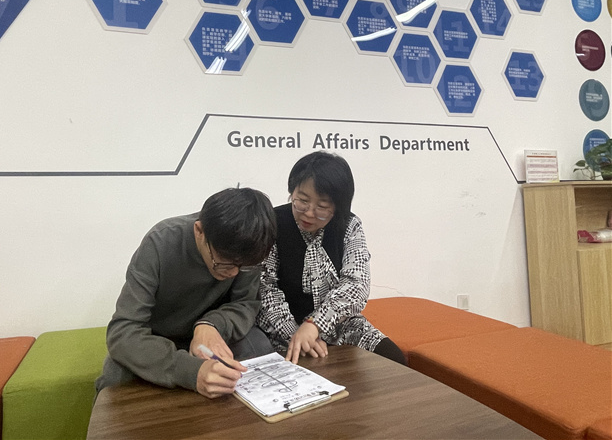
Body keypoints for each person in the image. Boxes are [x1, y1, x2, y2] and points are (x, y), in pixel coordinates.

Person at [95, 187, 277, 399]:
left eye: (243, 266)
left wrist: (211, 325)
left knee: (259, 346)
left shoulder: (248, 253)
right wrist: (190, 371)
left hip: (216, 335)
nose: (233, 273)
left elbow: (245, 304)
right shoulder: (161, 242)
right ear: (199, 231)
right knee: (115, 378)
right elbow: (123, 330)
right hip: (159, 341)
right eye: (224, 263)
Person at [256, 151, 406, 365]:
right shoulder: (272, 223)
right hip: (283, 328)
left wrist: (315, 325)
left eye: (322, 207)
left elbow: (356, 284)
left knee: (393, 359)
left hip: (339, 324)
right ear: (292, 192)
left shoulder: (349, 226)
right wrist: (298, 335)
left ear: (337, 206)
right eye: (302, 201)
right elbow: (265, 290)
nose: (309, 213)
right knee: (305, 366)